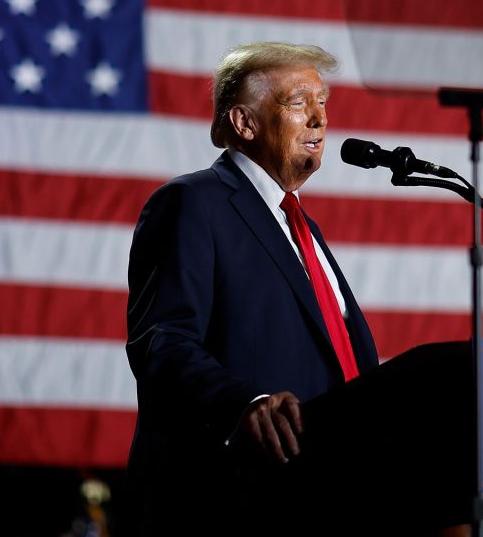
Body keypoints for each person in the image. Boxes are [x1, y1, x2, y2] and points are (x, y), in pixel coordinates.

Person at [124, 42, 379, 535]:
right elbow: (163, 342)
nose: (319, 119)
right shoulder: (191, 202)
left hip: (327, 498)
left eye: (323, 102)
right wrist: (243, 403)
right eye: (298, 102)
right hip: (229, 499)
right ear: (244, 123)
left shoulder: (303, 230)